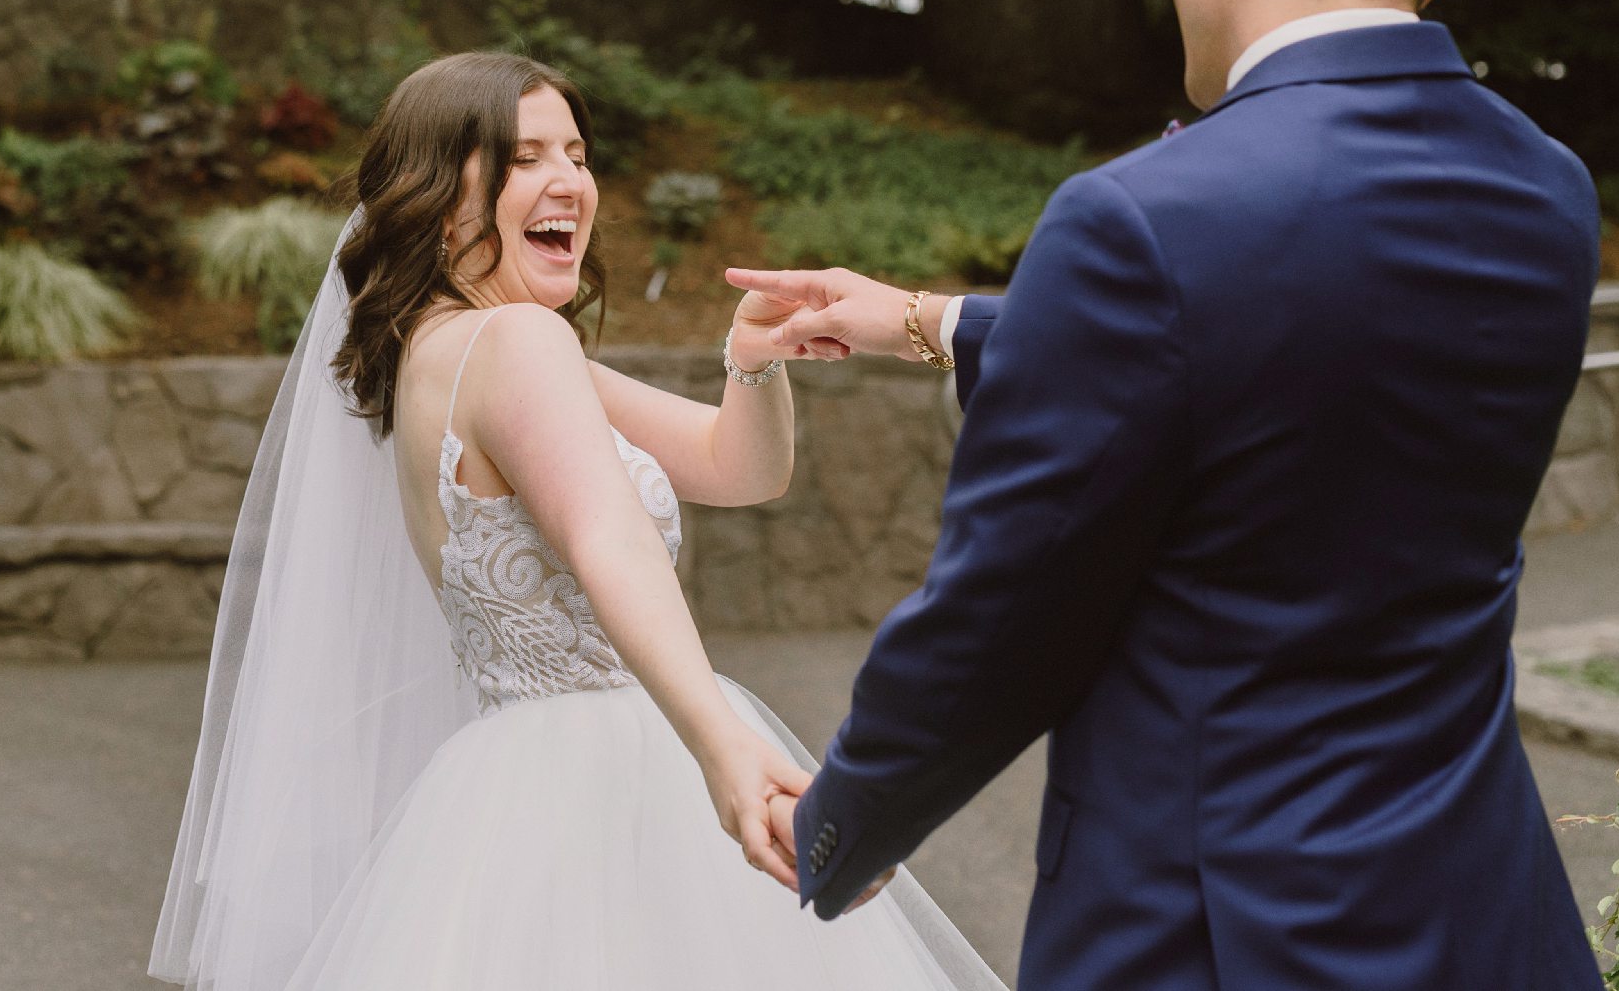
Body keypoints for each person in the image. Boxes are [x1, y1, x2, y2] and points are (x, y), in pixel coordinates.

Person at [731, 0, 1606, 989]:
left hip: (1217, 933)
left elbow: (1000, 622)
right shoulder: (1544, 189)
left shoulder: (1140, 218)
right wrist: (931, 319)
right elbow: (1308, 369)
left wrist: (843, 825)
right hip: (1480, 911)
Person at [149, 52, 1003, 991]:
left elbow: (740, 468)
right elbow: (607, 538)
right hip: (605, 783)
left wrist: (753, 357)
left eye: (578, 153)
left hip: (507, 788)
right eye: (523, 158)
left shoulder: (445, 349)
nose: (569, 181)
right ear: (441, 196)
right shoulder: (517, 343)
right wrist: (723, 745)